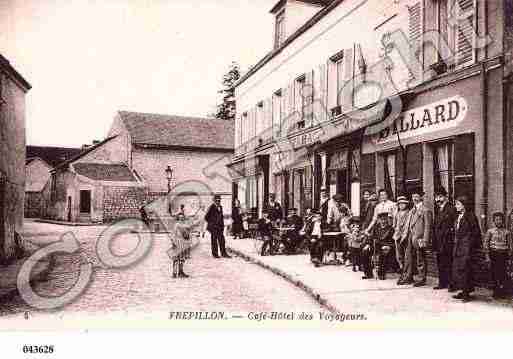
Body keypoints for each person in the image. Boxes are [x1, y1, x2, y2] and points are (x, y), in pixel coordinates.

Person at [452, 196, 481, 302]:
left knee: (466, 270)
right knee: (459, 270)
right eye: (456, 204)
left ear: (464, 205)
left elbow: (476, 233)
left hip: (467, 247)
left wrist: (470, 247)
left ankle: (466, 294)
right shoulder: (458, 216)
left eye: (458, 204)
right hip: (458, 246)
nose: (456, 206)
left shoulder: (471, 216)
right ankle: (464, 290)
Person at [404, 190, 432, 287]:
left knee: (420, 258)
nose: (414, 199)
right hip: (411, 237)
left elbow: (428, 227)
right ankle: (409, 276)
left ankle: (421, 278)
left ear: (421, 197)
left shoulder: (425, 210)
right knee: (409, 257)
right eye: (413, 196)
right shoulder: (412, 210)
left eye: (416, 196)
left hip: (419, 238)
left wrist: (425, 240)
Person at [432, 187, 457, 291]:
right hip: (439, 241)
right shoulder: (439, 209)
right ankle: (442, 282)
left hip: (448, 241)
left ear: (446, 197)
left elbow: (454, 226)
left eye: (440, 197)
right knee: (441, 263)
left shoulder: (451, 209)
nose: (438, 200)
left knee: (449, 263)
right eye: (436, 197)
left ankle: (452, 284)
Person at [484, 212, 512, 299]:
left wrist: (510, 256)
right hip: (494, 254)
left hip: (503, 255)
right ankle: (495, 291)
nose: (499, 221)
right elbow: (486, 244)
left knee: (502, 273)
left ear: (503, 221)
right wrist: (487, 256)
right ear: (494, 221)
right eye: (496, 220)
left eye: (500, 220)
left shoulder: (507, 232)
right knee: (494, 273)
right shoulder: (490, 231)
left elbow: (510, 245)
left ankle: (502, 291)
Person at [362, 212, 394, 280]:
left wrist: (388, 246)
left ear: (387, 220)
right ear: (379, 220)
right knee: (365, 252)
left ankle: (381, 273)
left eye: (385, 219)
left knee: (383, 253)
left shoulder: (390, 229)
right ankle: (368, 273)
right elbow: (371, 237)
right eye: (381, 220)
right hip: (375, 246)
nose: (383, 221)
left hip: (385, 247)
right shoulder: (376, 228)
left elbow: (392, 241)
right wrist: (368, 244)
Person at [170, 213, 201, 278]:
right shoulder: (177, 225)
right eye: (180, 217)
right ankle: (174, 272)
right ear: (178, 218)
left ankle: (181, 271)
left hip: (184, 243)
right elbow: (173, 234)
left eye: (182, 217)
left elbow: (189, 233)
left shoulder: (186, 225)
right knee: (176, 258)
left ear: (184, 218)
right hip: (178, 242)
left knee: (182, 259)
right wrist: (173, 242)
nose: (181, 218)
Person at [393, 195, 411, 284]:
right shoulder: (397, 214)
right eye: (400, 204)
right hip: (397, 236)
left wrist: (404, 235)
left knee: (407, 256)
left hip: (406, 236)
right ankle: (402, 272)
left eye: (403, 204)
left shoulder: (409, 213)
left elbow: (408, 226)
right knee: (399, 256)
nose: (401, 206)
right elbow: (394, 225)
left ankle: (407, 275)